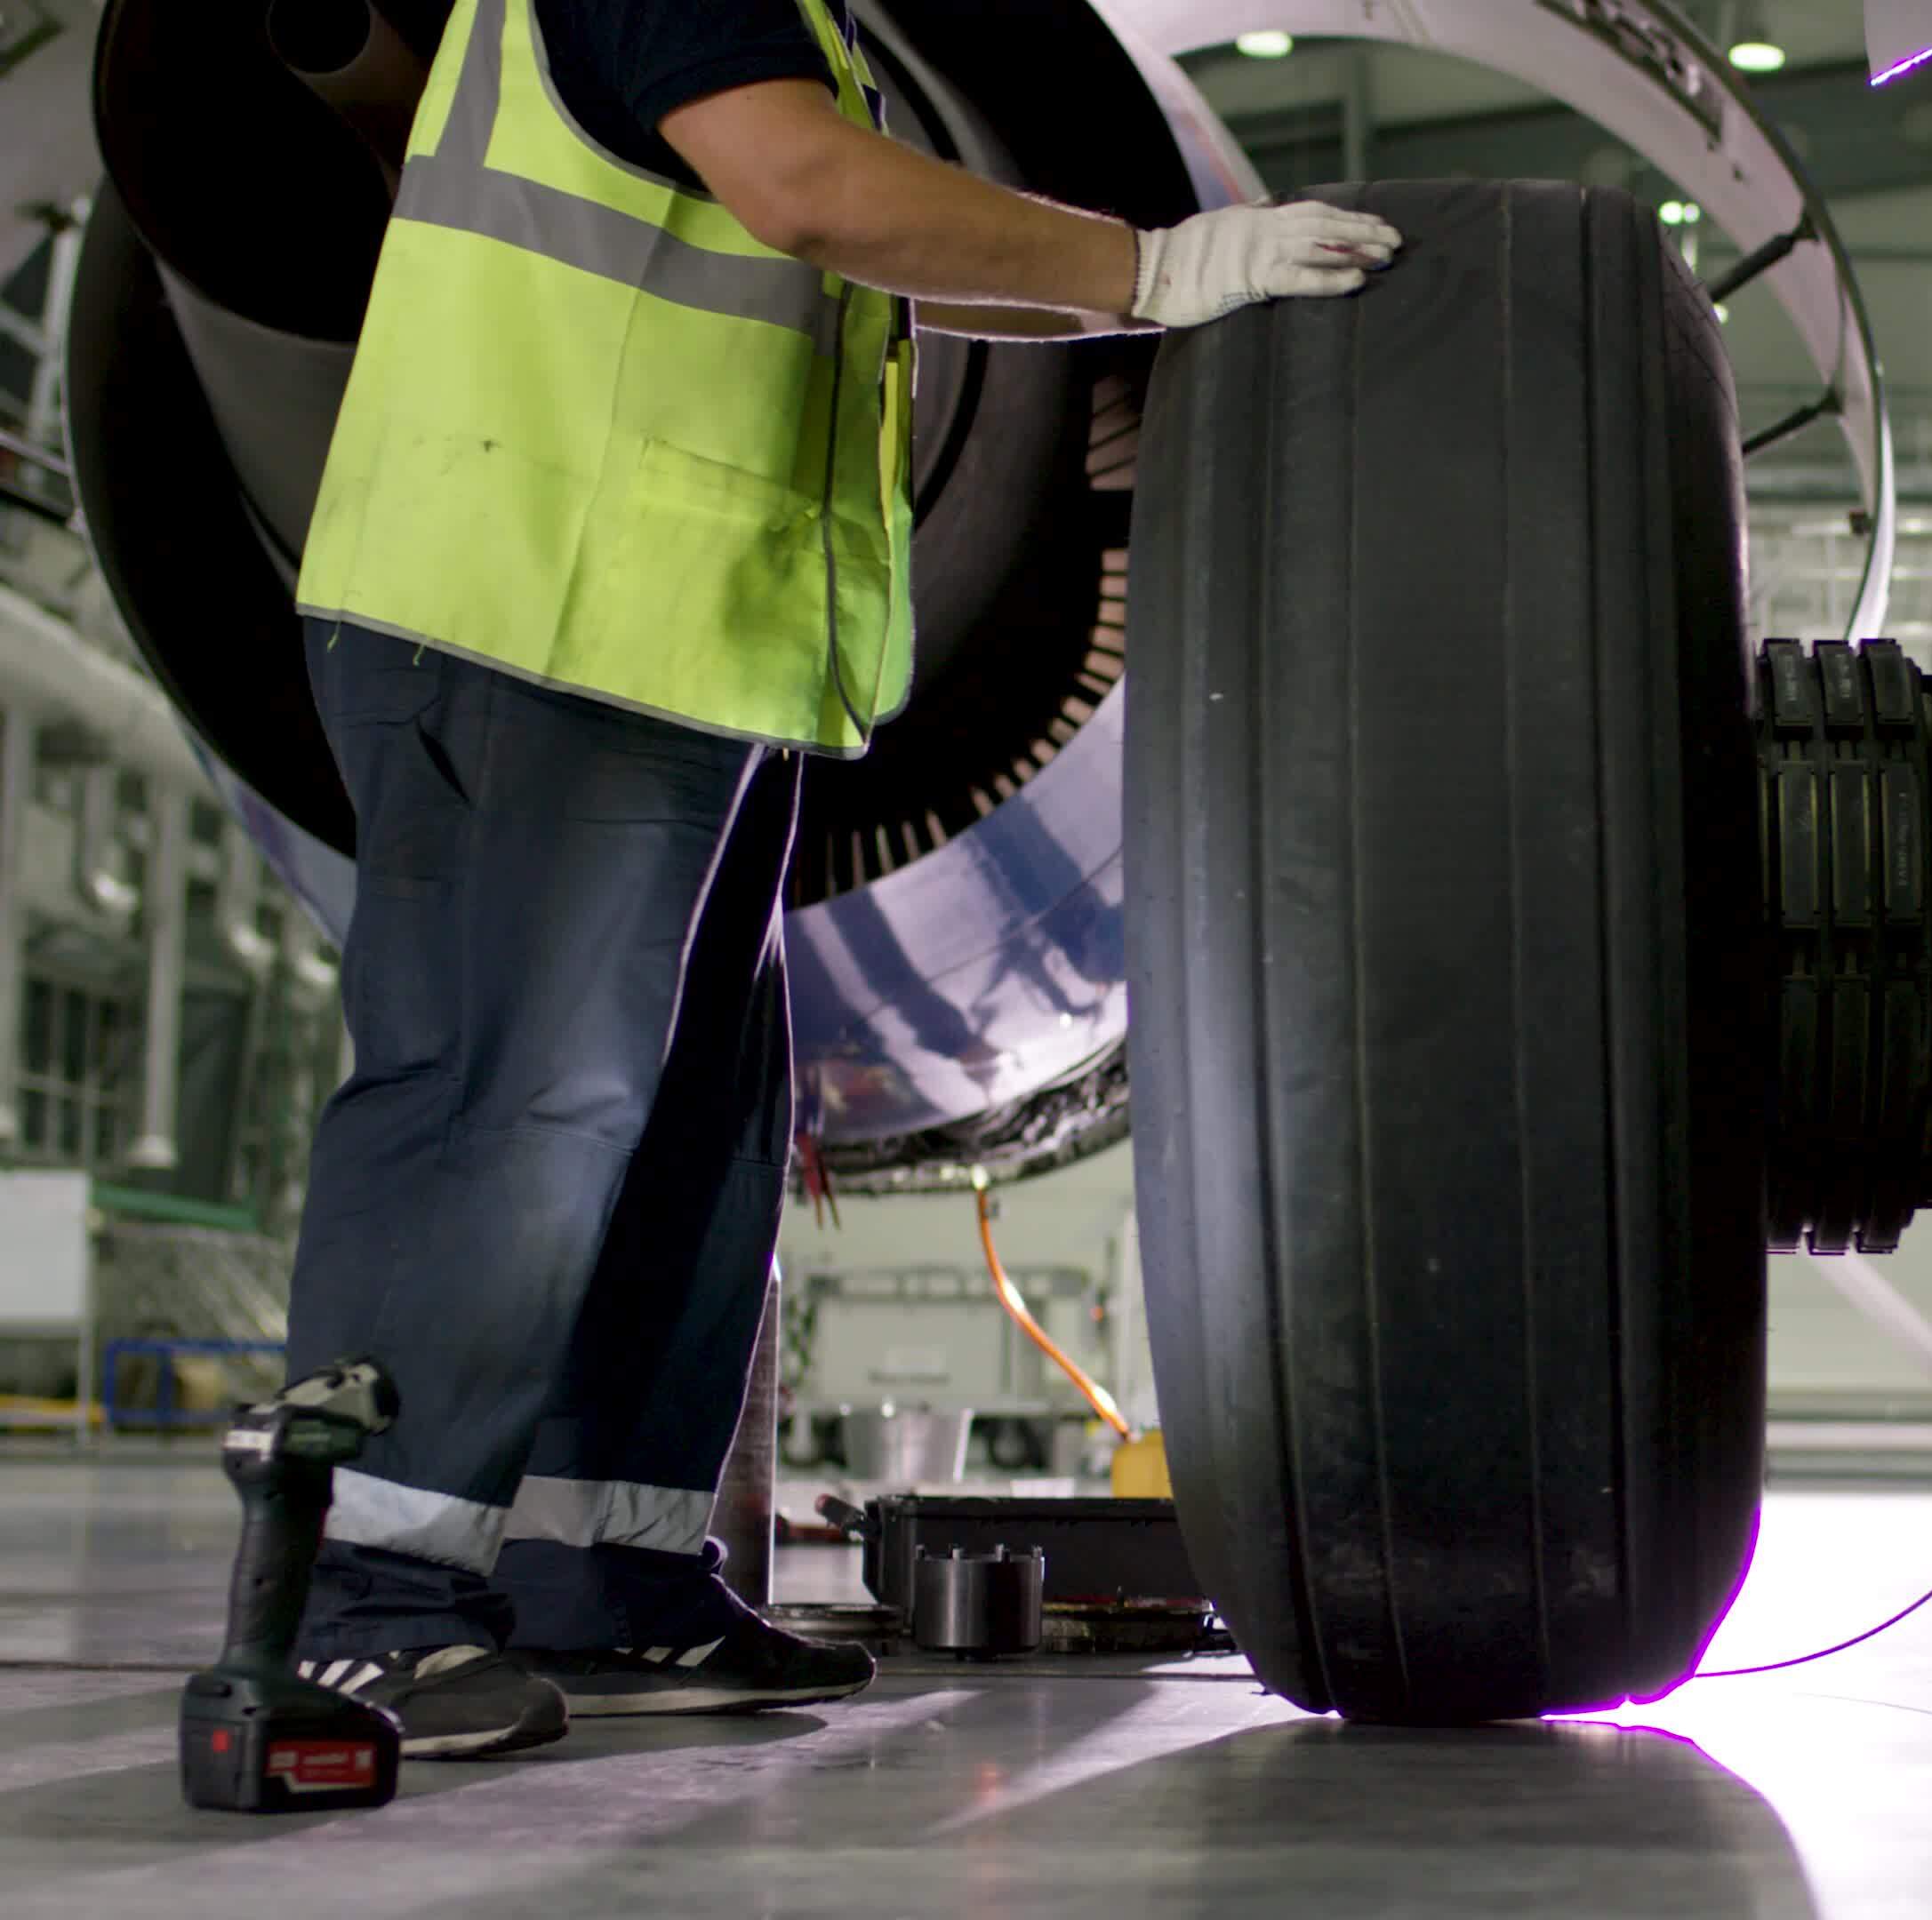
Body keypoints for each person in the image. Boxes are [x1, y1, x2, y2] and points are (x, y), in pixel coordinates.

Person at [277, 0, 1397, 1758]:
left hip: (677, 638)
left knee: (683, 1130)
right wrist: (1153, 263)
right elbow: (804, 193)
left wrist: (1148, 288)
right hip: (524, 605)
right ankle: (363, 1604)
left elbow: (861, 246)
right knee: (511, 1106)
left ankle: (610, 1579)